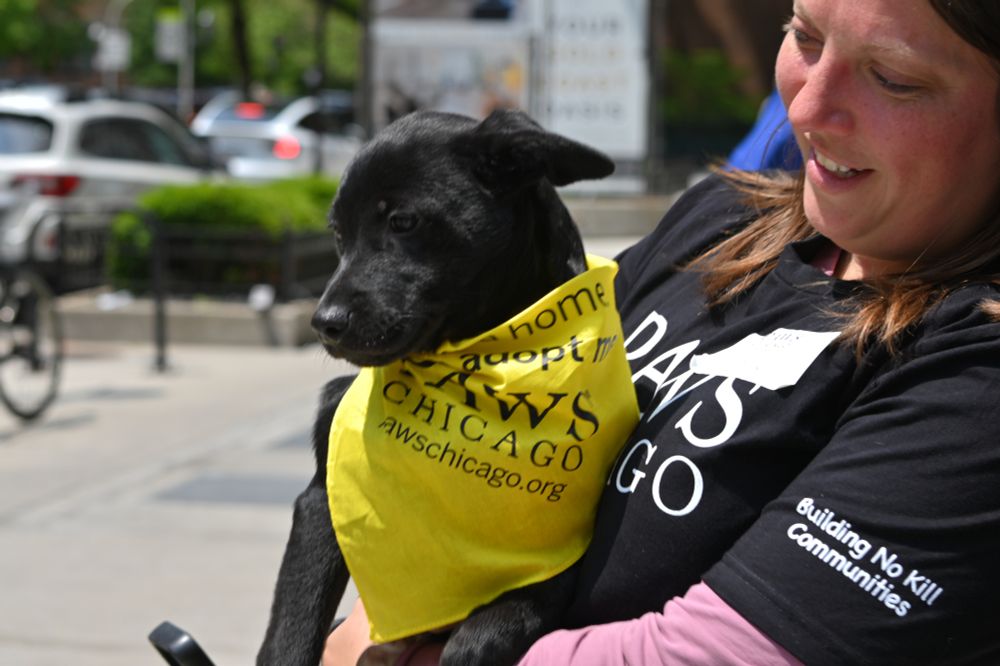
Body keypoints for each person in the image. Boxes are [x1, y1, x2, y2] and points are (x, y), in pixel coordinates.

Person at [326, 0, 1000, 663]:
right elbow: (484, 444)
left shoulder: (976, 373)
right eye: (806, 36)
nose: (806, 107)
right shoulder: (721, 220)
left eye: (894, 78)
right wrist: (388, 610)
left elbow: (711, 655)